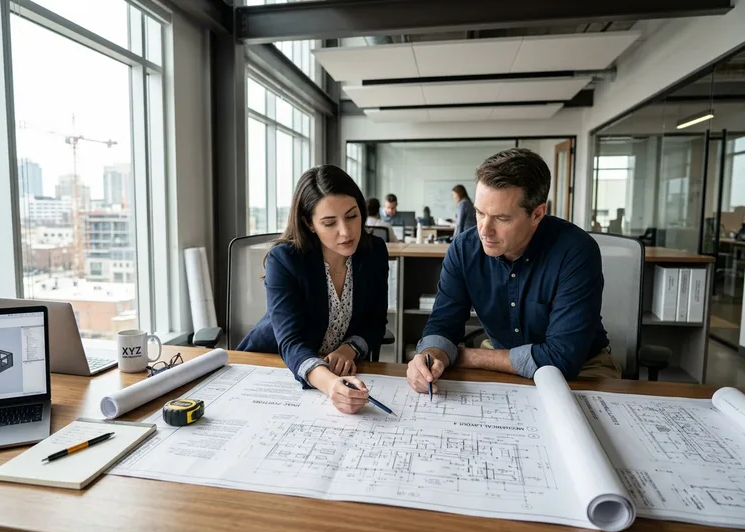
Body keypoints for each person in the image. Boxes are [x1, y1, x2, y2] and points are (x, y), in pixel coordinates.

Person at [406, 148, 617, 395]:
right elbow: (443, 324)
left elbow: (562, 358)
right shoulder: (464, 249)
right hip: (500, 359)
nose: (484, 230)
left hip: (582, 368)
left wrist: (462, 356)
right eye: (480, 213)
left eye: (501, 218)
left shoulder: (576, 251)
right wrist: (431, 356)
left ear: (537, 214)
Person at [238, 165, 389, 414]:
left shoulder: (374, 252)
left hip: (334, 372)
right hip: (273, 366)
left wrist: (348, 349)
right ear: (309, 223)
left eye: (352, 216)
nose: (346, 231)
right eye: (329, 223)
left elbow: (375, 322)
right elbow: (291, 342)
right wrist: (330, 384)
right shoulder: (285, 260)